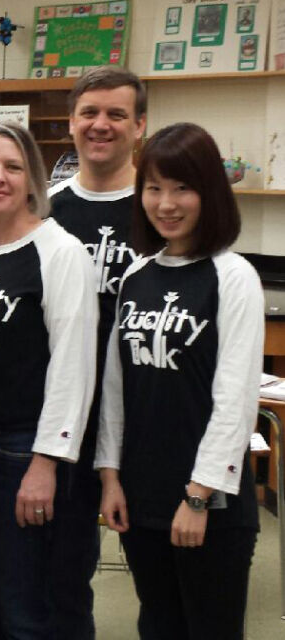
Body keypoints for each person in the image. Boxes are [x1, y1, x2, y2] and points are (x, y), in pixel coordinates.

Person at [96, 122, 263, 640]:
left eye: (181, 188)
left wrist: (199, 497)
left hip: (208, 502)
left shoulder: (232, 276)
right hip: (142, 494)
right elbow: (115, 389)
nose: (165, 203)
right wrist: (110, 477)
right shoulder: (136, 276)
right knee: (159, 624)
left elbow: (234, 399)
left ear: (208, 192)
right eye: (153, 188)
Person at [0, 121, 97, 639]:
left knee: (28, 605)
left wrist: (45, 463)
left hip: (23, 453)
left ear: (33, 179)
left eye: (12, 166)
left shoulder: (61, 252)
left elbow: (73, 368)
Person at [47, 66, 147, 637]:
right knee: (63, 576)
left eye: (116, 114)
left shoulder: (162, 207)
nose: (101, 125)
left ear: (139, 125)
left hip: (144, 420)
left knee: (160, 576)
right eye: (90, 113)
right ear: (71, 122)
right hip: (65, 423)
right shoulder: (48, 210)